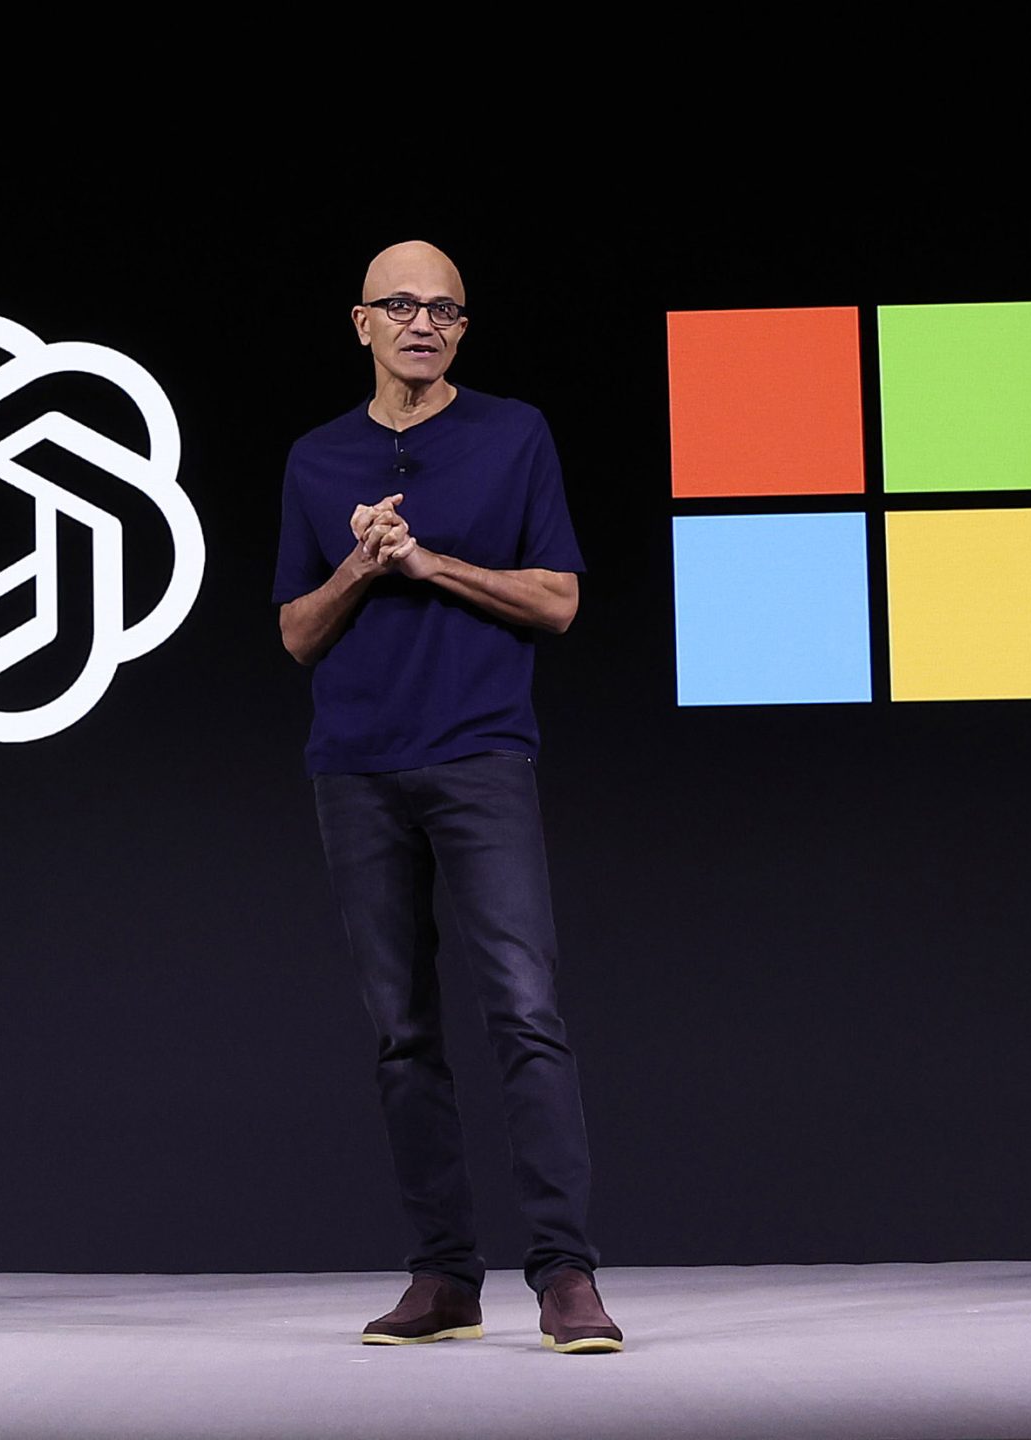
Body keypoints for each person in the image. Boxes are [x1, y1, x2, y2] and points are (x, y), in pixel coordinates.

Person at [274, 241, 623, 1353]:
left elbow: (558, 601)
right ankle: (442, 1277)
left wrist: (427, 563)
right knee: (401, 1031)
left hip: (479, 756)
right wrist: (360, 566)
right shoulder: (317, 458)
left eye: (445, 309)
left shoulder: (514, 434)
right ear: (361, 323)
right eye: (400, 305)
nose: (422, 323)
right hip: (355, 769)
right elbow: (295, 633)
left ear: (463, 329)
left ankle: (564, 1274)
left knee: (524, 1010)